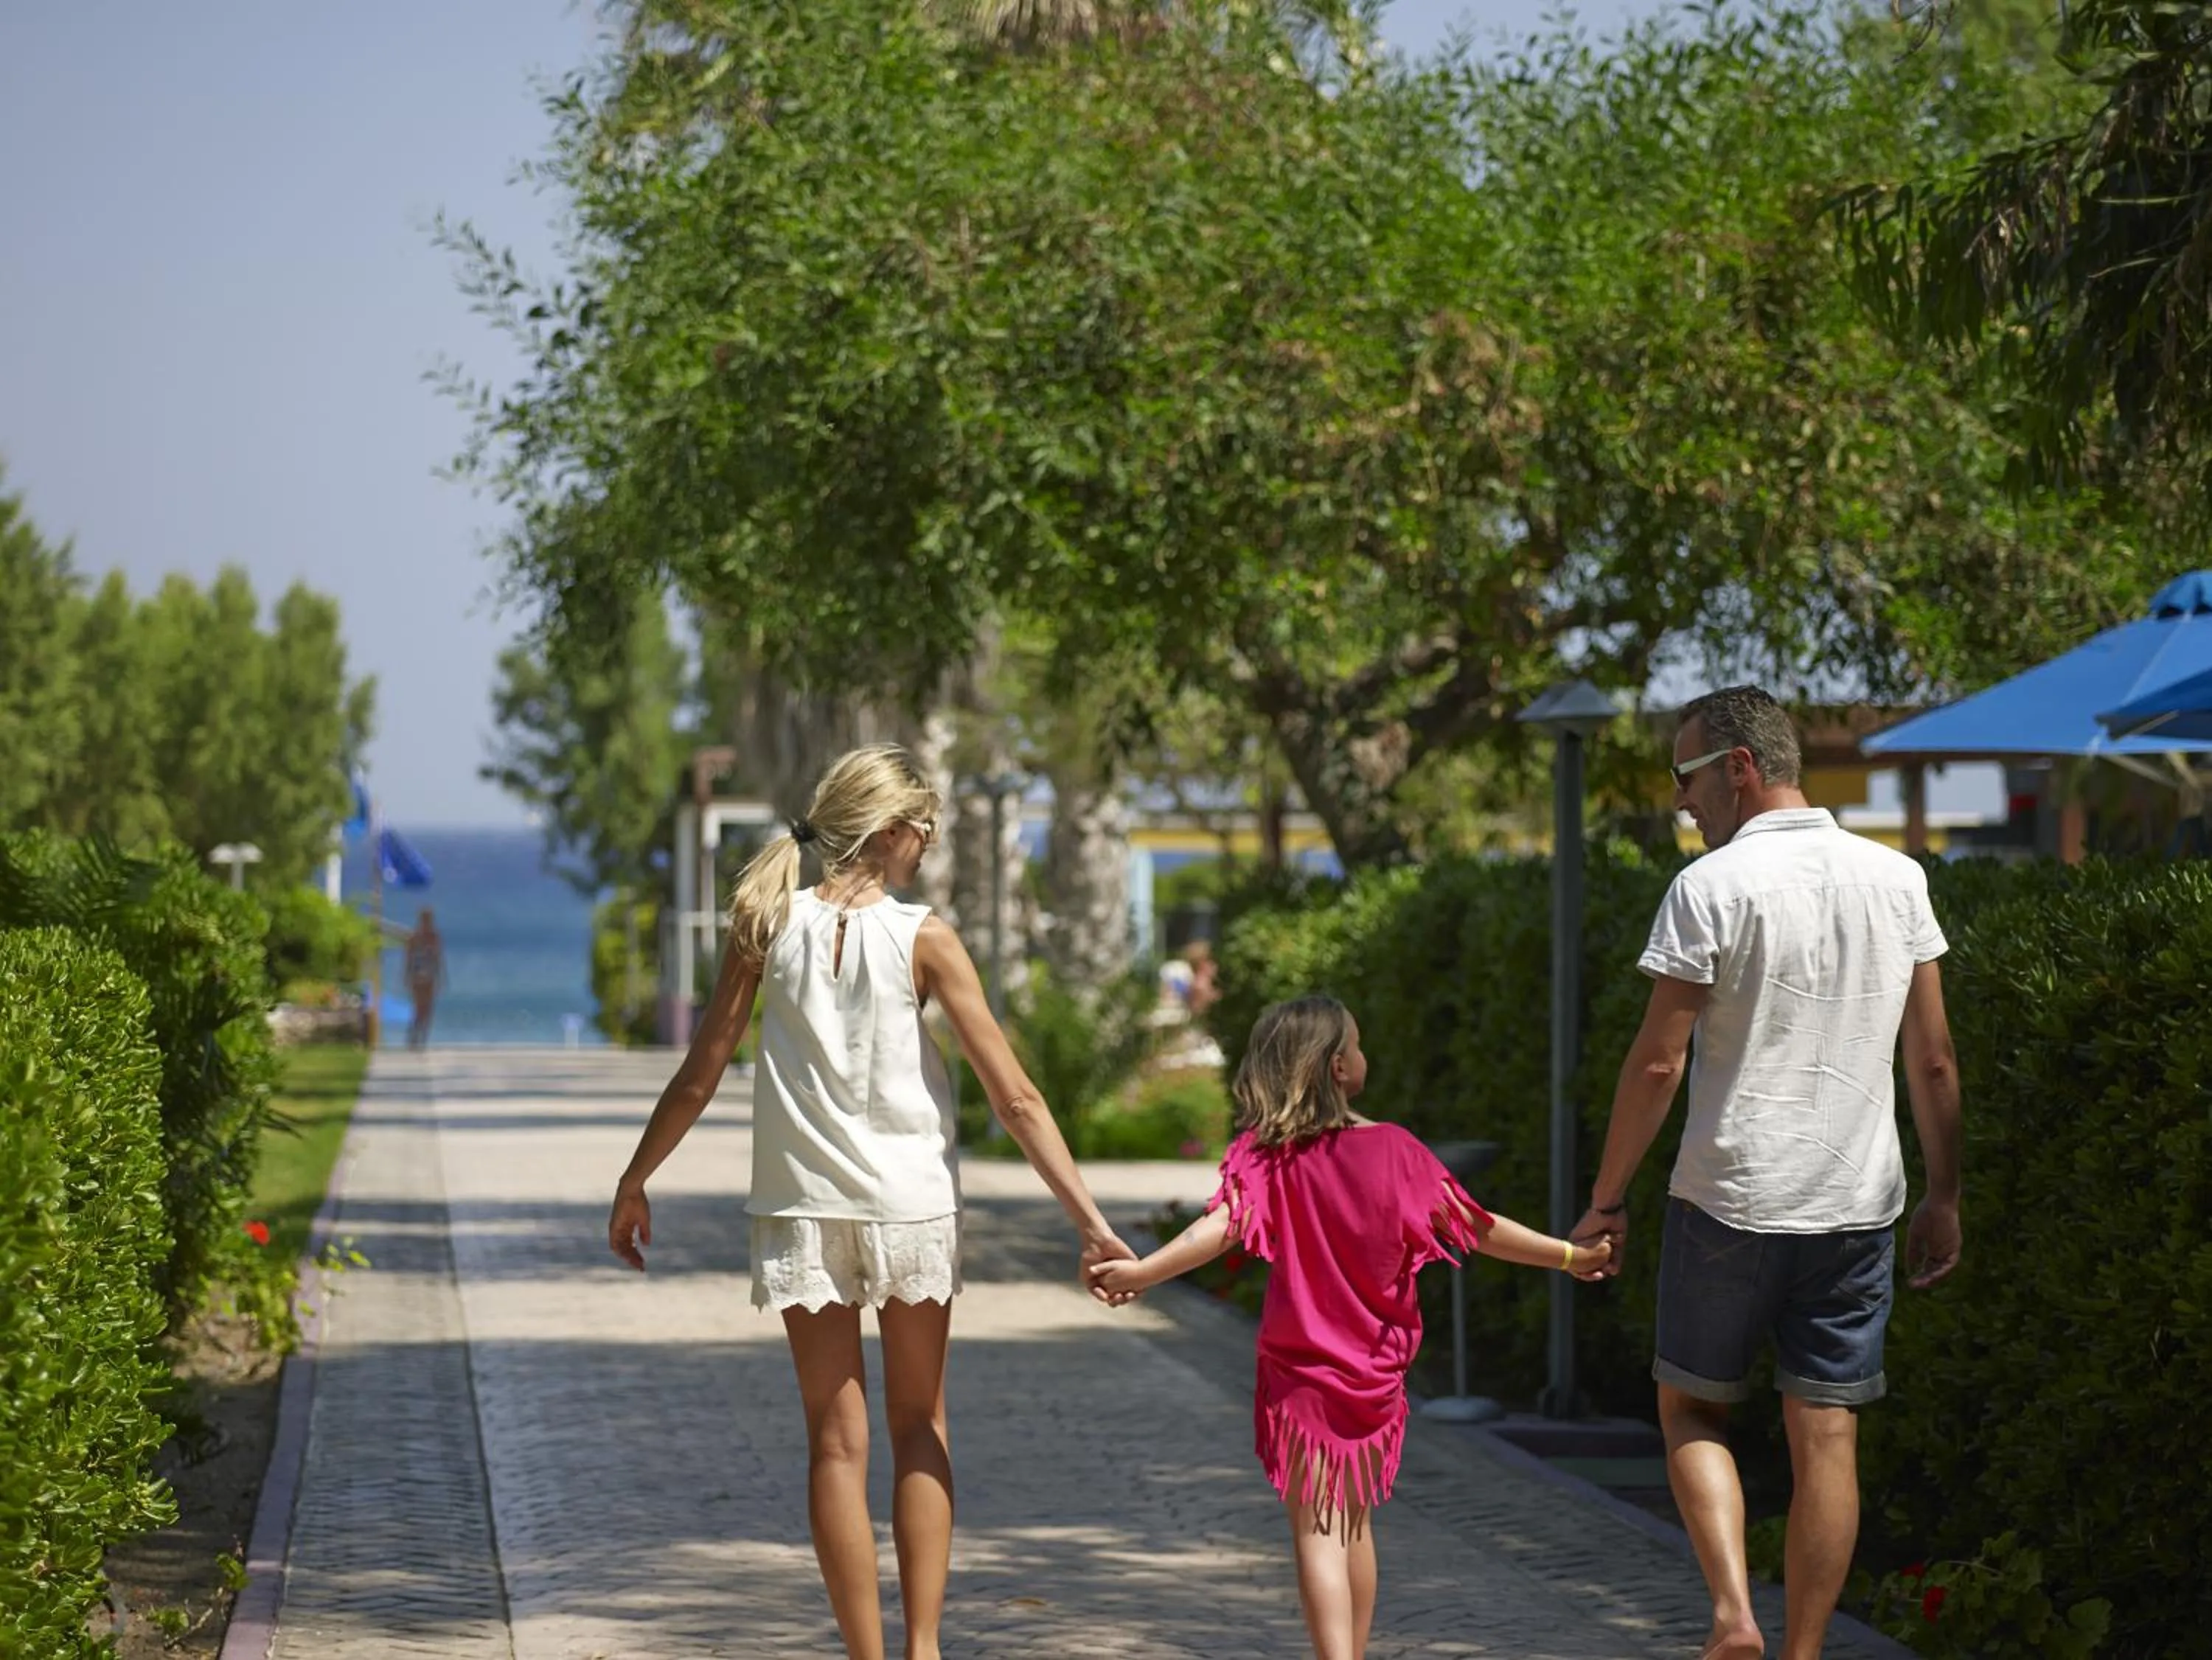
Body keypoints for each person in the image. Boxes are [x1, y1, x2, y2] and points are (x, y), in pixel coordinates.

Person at [606, 744, 1135, 1660]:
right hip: (910, 1207)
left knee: (834, 1442)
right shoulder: (925, 937)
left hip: (802, 1210)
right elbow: (1015, 1097)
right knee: (919, 1422)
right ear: (889, 831)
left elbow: (701, 1071)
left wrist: (635, 1177)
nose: (929, 844)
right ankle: (924, 1647)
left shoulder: (767, 921)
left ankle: (867, 1653)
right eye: (925, 829)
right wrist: (1089, 1220)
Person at [1571, 686, 1964, 1660]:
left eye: (1687, 777)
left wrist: (1607, 1199)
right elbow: (1934, 1061)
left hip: (1730, 1198)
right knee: (1827, 1434)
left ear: (1740, 767)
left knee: (1691, 1407)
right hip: (1857, 1205)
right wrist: (1945, 1192)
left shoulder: (1711, 886)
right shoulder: (1898, 879)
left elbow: (1657, 1064)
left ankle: (1733, 1614)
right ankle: (1803, 1651)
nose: (1681, 800)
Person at [1090, 994, 1610, 1660]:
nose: (1365, 1054)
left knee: (1318, 1530)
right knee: (1353, 1524)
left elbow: (1217, 1228)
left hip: (1300, 1373)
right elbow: (1479, 1228)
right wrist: (1568, 1257)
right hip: (1375, 1374)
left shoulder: (1268, 1156)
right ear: (1338, 1067)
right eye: (1358, 1044)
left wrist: (1143, 1272)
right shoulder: (1396, 1151)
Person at [403, 907, 445, 1050]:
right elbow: (408, 960)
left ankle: (422, 1038)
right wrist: (406, 977)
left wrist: (441, 977)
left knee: (428, 1010)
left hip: (430, 978)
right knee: (419, 1008)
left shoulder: (435, 938)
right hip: (417, 978)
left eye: (429, 920)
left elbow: (438, 959)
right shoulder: (414, 938)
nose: (427, 923)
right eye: (425, 920)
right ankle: (414, 1037)